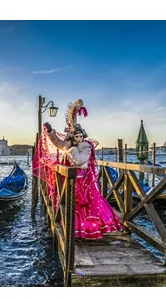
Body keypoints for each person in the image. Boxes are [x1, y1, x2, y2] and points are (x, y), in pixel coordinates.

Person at [33, 98, 122, 240]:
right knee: (70, 205)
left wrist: (71, 150)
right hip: (71, 179)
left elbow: (79, 160)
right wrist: (51, 132)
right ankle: (74, 228)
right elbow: (59, 143)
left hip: (83, 181)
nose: (80, 138)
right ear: (72, 136)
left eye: (81, 136)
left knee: (85, 205)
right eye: (77, 136)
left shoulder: (86, 146)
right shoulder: (69, 144)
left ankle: (89, 230)